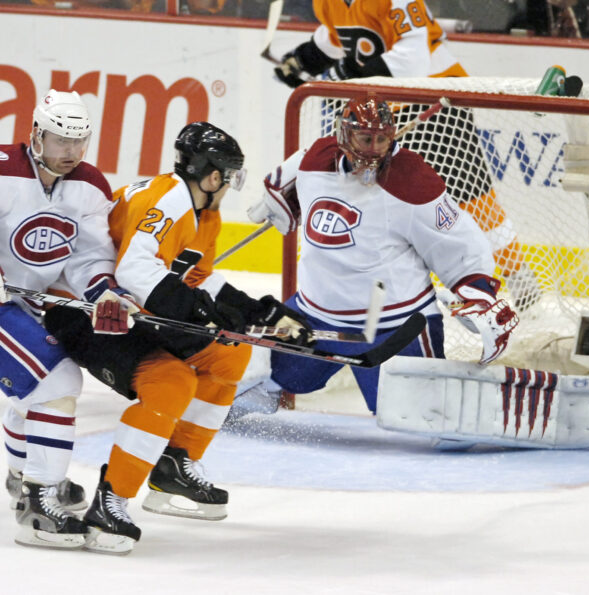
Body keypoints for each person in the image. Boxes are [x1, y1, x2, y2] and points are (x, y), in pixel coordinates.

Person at [42, 121, 310, 553]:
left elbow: (198, 279)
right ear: (214, 175)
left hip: (133, 308)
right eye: (230, 177)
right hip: (86, 309)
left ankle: (174, 464)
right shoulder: (168, 198)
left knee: (230, 354)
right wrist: (200, 311)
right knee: (170, 384)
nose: (229, 187)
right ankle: (110, 504)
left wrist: (258, 311)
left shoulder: (203, 212)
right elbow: (134, 272)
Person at [232, 95, 517, 418]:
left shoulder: (412, 180)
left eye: (382, 140)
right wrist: (276, 194)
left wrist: (477, 290)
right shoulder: (316, 159)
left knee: (419, 417)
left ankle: (495, 410)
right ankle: (211, 413)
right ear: (343, 136)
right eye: (365, 138)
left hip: (392, 326)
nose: (373, 150)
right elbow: (290, 173)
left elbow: (460, 242)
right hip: (316, 317)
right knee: (258, 376)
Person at [270, 0, 540, 311]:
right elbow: (336, 38)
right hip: (382, 113)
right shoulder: (327, 2)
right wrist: (302, 60)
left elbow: (413, 60)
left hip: (436, 98)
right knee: (367, 198)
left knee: (473, 198)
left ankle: (518, 277)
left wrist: (346, 71)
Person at [0, 89, 138, 549]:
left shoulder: (90, 185)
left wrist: (106, 293)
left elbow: (87, 257)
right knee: (57, 382)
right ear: (36, 134)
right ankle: (40, 502)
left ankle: (25, 477)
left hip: (24, 304)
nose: (72, 153)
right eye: (61, 141)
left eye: (80, 143)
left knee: (34, 389)